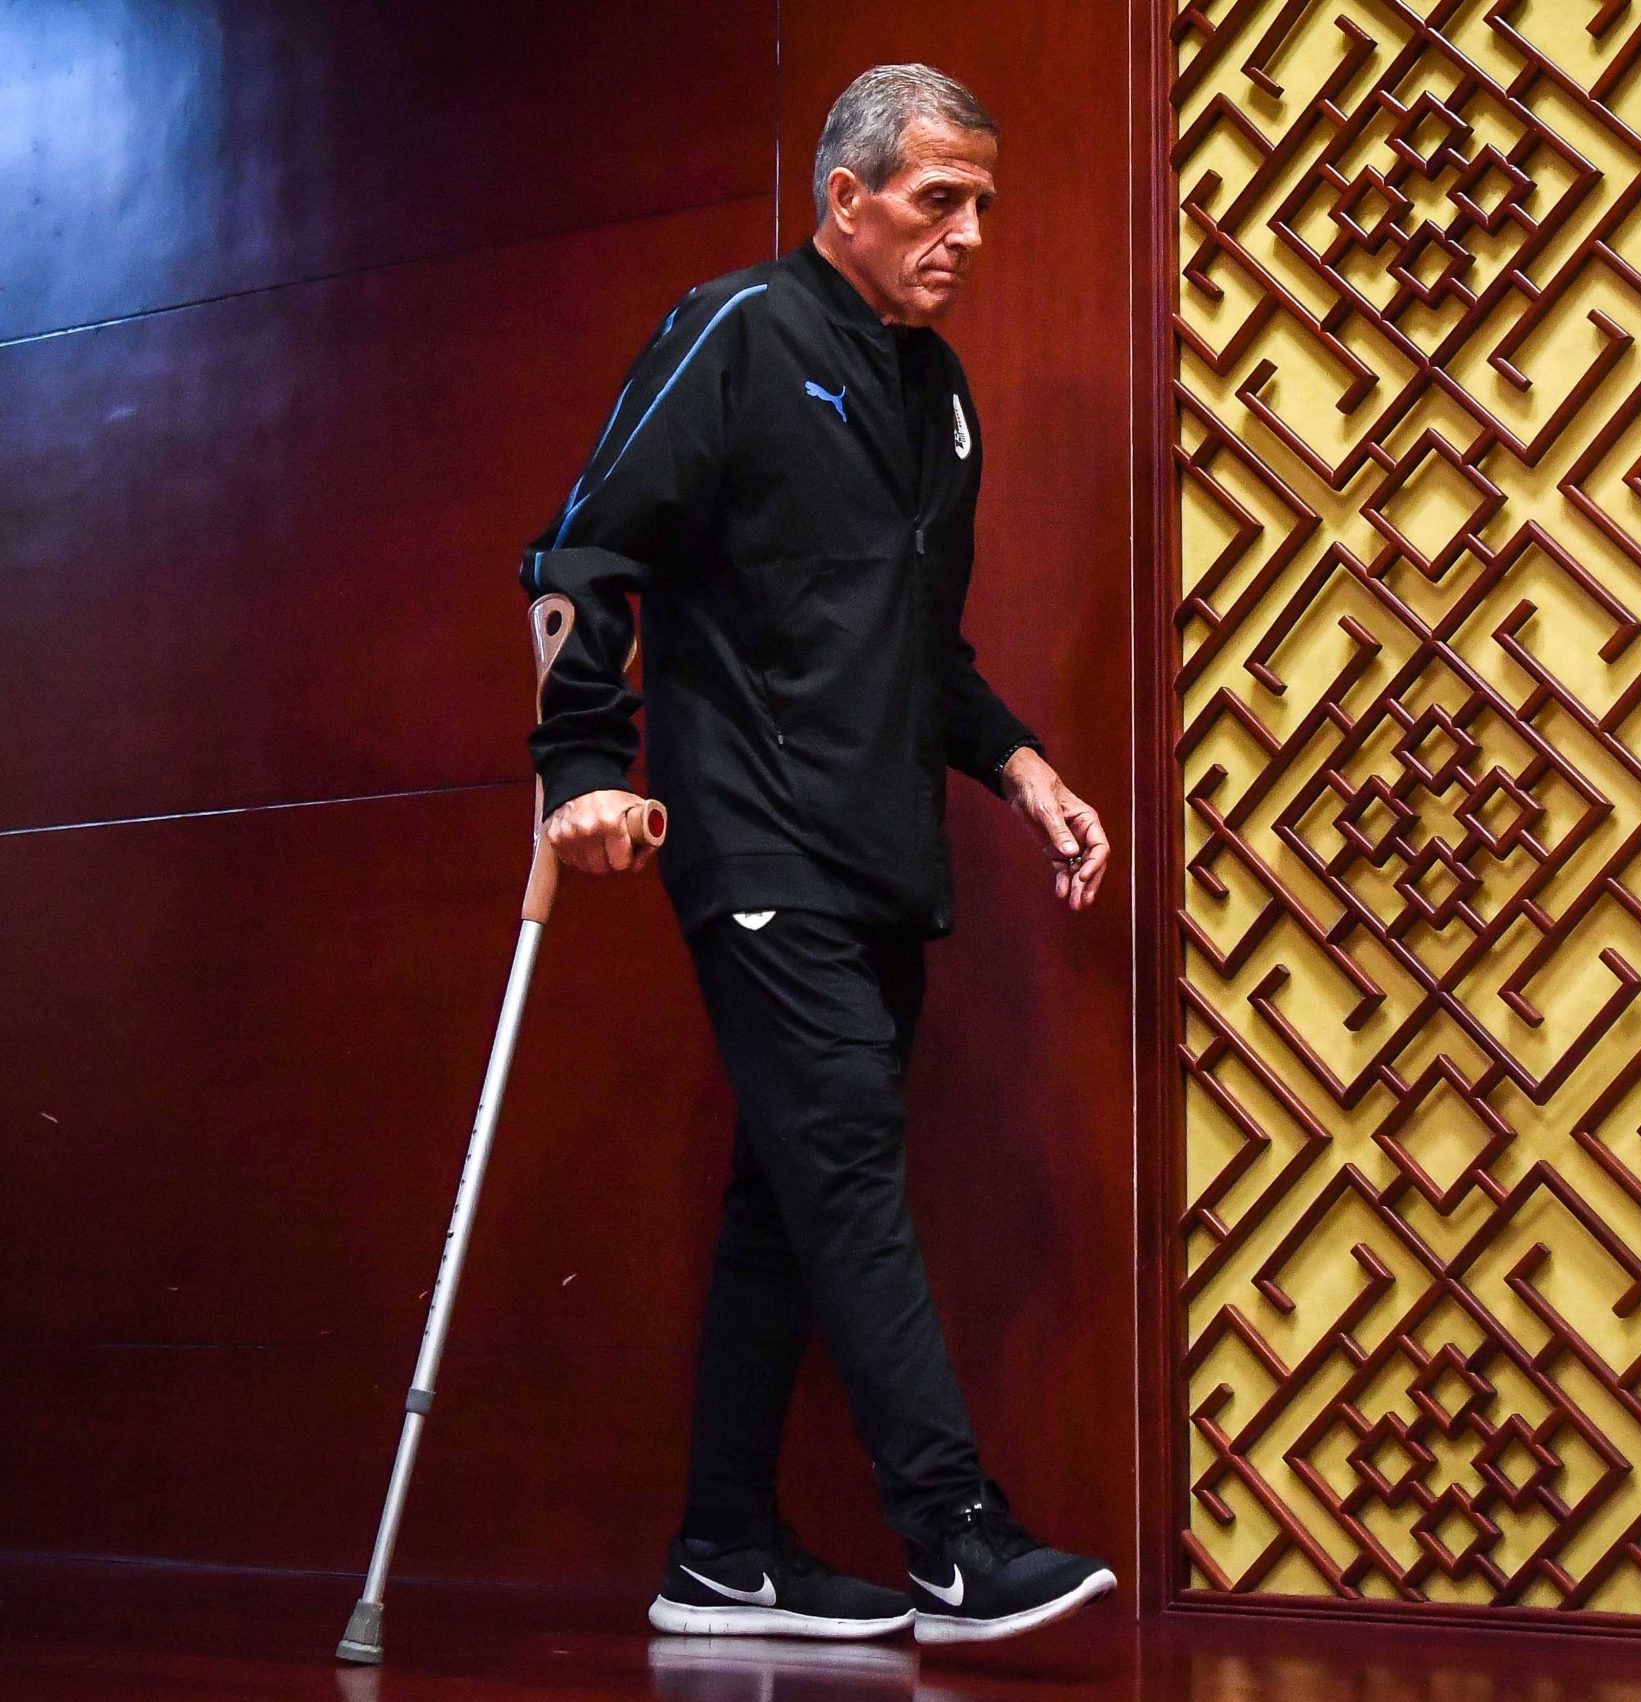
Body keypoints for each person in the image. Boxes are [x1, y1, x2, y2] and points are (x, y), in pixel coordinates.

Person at [520, 63, 1114, 1646]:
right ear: (846, 198)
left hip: (881, 857)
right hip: (759, 840)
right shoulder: (734, 330)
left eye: (984, 204)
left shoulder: (941, 396)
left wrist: (1021, 767)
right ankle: (955, 1533)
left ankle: (722, 1549)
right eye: (940, 200)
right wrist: (583, 766)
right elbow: (585, 547)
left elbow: (915, 646)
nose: (969, 232)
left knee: (790, 1197)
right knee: (843, 1165)